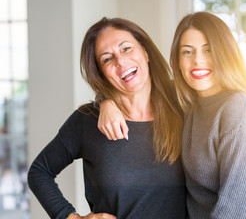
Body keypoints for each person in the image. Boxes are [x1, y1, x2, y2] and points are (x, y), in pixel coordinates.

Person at [98, 13, 246, 218]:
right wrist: (106, 102)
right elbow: (135, 87)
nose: (198, 61)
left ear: (225, 54)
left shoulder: (238, 110)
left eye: (208, 50)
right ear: (177, 59)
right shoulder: (187, 104)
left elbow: (233, 212)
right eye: (187, 52)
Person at [27, 17, 186, 219]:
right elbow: (39, 172)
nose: (120, 61)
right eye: (107, 59)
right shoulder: (86, 121)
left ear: (145, 51)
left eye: (126, 49)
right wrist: (71, 218)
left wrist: (104, 100)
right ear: (100, 73)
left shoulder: (182, 105)